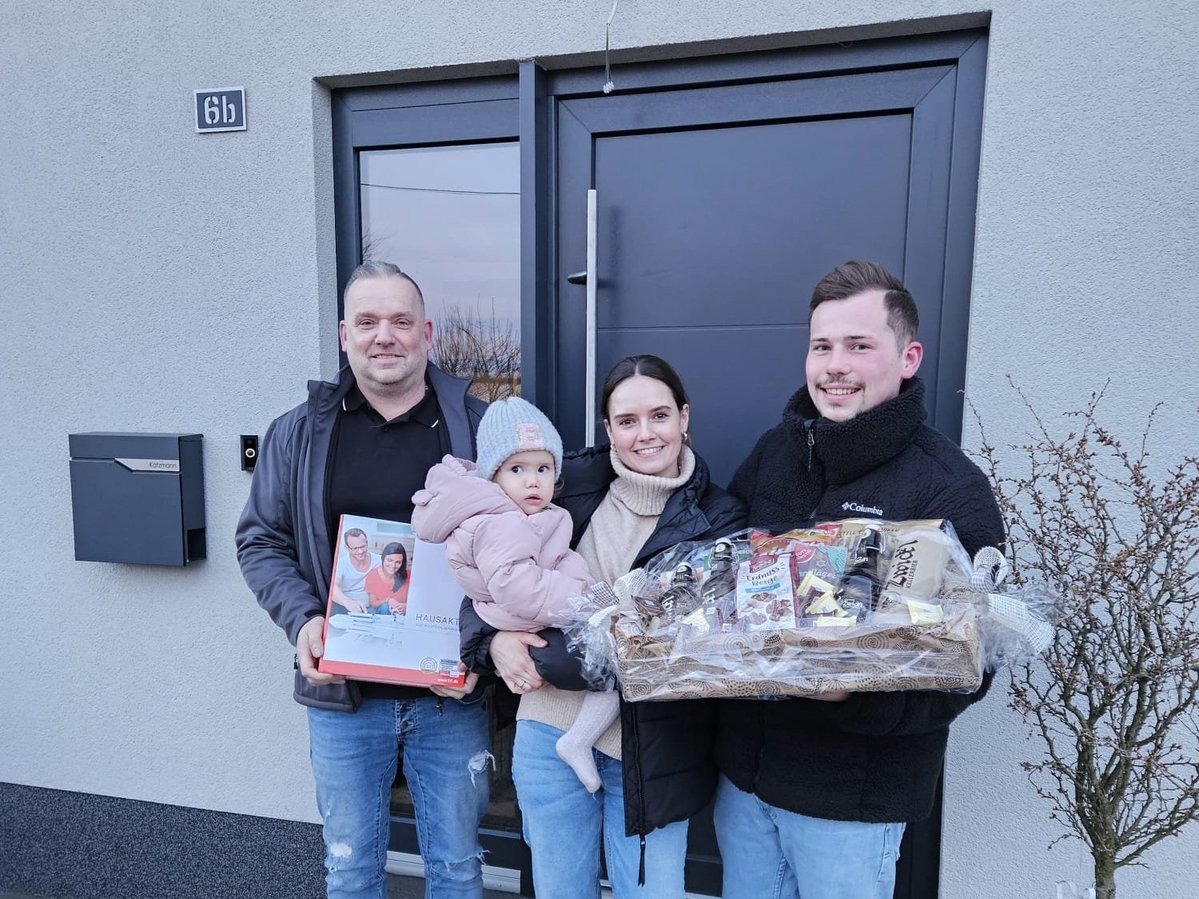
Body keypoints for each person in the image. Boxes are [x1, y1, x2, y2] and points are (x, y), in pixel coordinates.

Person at [713, 260, 1005, 899]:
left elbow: (975, 663)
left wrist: (857, 694)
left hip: (849, 803)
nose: (835, 366)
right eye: (822, 346)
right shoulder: (775, 452)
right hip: (745, 785)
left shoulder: (949, 488)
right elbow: (721, 565)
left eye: (858, 346)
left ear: (907, 358)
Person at [236, 261, 490, 899]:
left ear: (426, 333)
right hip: (343, 699)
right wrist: (304, 620)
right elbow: (261, 540)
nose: (385, 336)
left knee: (459, 868)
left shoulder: (480, 427)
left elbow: (520, 549)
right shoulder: (298, 432)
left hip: (451, 695)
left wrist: (484, 646)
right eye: (368, 321)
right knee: (350, 871)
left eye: (401, 321)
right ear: (345, 334)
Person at [460, 355, 746, 898]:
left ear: (684, 418)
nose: (646, 434)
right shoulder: (565, 485)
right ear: (608, 429)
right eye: (627, 420)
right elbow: (482, 567)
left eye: (659, 416)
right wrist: (492, 641)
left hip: (652, 749)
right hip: (548, 731)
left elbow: (702, 639)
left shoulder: (720, 517)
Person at [412, 396, 619, 793]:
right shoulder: (500, 522)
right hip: (515, 615)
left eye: (543, 469)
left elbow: (559, 561)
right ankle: (577, 741)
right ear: (494, 477)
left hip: (531, 608)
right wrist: (583, 601)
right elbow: (517, 587)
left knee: (608, 661)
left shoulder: (534, 515)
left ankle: (578, 738)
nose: (532, 481)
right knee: (607, 666)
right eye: (517, 469)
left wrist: (587, 589)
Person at [332, 527, 377, 613]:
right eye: (355, 548)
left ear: (367, 543)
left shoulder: (379, 561)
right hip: (345, 607)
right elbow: (333, 586)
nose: (360, 551)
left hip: (371, 608)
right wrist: (348, 603)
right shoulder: (341, 564)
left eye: (363, 546)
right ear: (347, 548)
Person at [365, 541, 410, 614]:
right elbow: (373, 604)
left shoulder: (409, 575)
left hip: (403, 615)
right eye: (390, 560)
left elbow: (418, 600)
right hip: (382, 614)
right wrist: (387, 600)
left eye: (398, 562)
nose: (393, 566)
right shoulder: (373, 575)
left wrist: (407, 607)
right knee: (384, 607)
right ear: (383, 558)